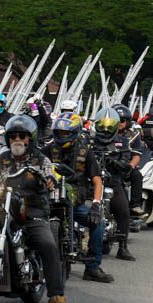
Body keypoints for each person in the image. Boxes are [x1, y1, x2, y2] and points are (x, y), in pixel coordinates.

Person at [0, 115, 73, 303]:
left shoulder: (41, 159)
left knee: (48, 244)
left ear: (29, 139)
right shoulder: (0, 158)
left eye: (22, 136)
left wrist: (49, 179)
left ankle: (56, 299)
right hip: (3, 208)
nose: (17, 139)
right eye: (13, 136)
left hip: (32, 211)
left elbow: (50, 173)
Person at [43, 113, 114, 283]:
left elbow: (97, 181)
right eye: (59, 132)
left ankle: (93, 268)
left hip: (75, 202)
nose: (62, 136)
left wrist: (96, 205)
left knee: (99, 223)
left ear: (75, 133)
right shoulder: (47, 151)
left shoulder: (85, 153)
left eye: (66, 133)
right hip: (48, 201)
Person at [91, 108, 137, 262]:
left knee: (123, 210)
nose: (105, 130)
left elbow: (126, 164)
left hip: (113, 180)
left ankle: (122, 247)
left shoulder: (122, 142)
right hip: (92, 181)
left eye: (109, 126)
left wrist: (115, 163)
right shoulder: (89, 141)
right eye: (102, 126)